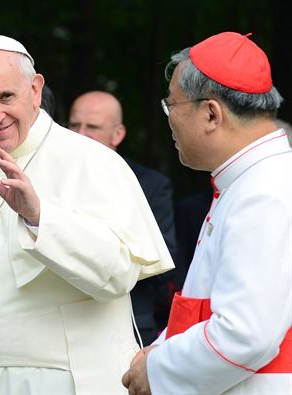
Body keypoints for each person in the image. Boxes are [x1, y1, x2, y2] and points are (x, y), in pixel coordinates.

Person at [0, 35, 174, 394]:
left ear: (35, 89)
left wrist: (40, 218)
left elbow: (118, 274)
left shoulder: (93, 161)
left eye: (6, 97)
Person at [122, 32, 292, 394]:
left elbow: (245, 335)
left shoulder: (265, 192)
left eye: (172, 106)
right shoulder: (251, 181)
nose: (169, 119)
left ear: (211, 113)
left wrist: (156, 368)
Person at [68, 91, 178, 345]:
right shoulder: (49, 178)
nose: (80, 134)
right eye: (74, 125)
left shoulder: (150, 185)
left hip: (130, 326)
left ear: (118, 134)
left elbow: (164, 263)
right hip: (63, 325)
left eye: (92, 127)